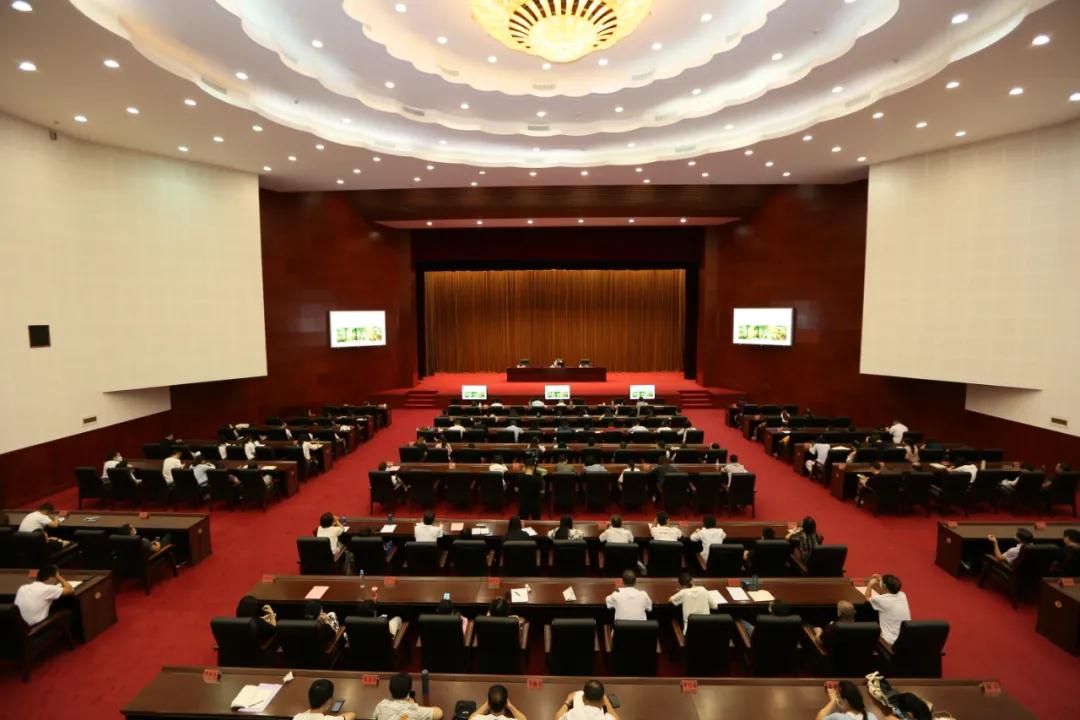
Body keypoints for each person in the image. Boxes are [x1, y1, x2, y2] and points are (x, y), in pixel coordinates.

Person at [865, 573, 910, 646]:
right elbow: (886, 592)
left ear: (884, 586)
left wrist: (870, 584)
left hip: (888, 642)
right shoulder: (902, 595)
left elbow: (867, 598)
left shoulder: (880, 600)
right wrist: (881, 581)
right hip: (904, 640)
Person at [374, 673, 443, 720]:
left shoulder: (381, 706)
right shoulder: (414, 710)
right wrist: (413, 705)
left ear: (391, 689)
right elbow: (439, 713)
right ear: (409, 691)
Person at [554, 679, 619, 720]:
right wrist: (607, 702)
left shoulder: (573, 714)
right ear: (602, 701)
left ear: (583, 699)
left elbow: (557, 718)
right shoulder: (605, 717)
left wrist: (567, 702)